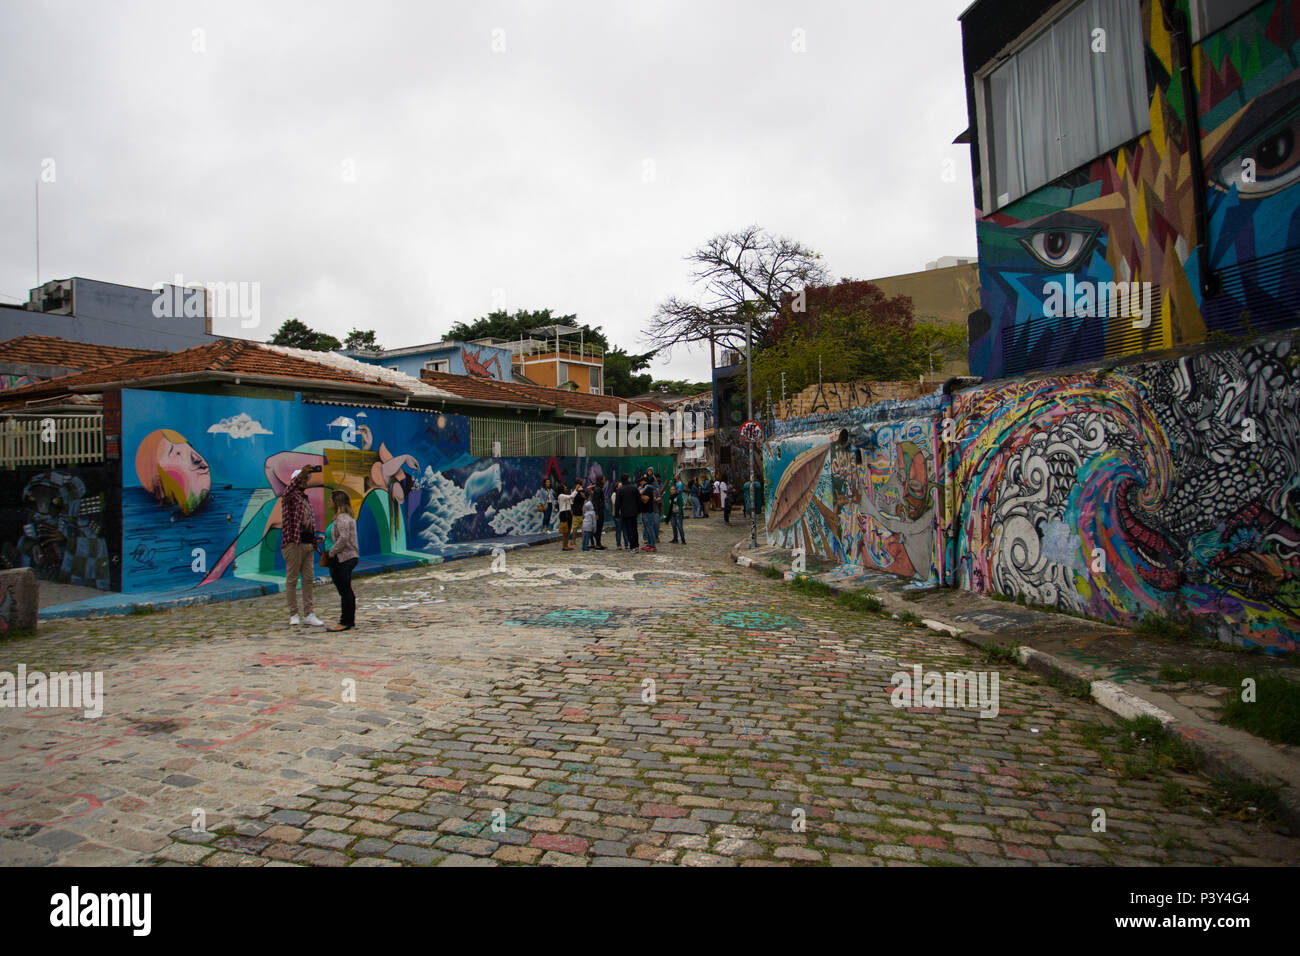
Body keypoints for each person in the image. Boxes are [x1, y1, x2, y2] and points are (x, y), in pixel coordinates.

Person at [281, 465, 325, 627]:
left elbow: (308, 523)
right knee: (292, 579)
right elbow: (287, 491)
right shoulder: (290, 497)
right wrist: (304, 472)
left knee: (308, 579)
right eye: (304, 478)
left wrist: (315, 539)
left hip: (307, 544)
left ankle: (309, 613)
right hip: (294, 544)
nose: (307, 481)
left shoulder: (305, 499)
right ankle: (293, 613)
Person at [324, 489, 359, 631]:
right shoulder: (340, 518)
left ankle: (346, 621)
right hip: (340, 557)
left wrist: (332, 551)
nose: (328, 502)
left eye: (330, 500)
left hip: (344, 558)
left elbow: (344, 538)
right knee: (344, 590)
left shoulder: (343, 519)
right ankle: (347, 619)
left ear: (337, 502)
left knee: (345, 590)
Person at [615, 473, 641, 551]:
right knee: (634, 529)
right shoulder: (634, 488)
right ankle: (636, 545)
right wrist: (639, 511)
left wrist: (617, 515)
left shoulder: (620, 490)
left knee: (628, 530)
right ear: (628, 479)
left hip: (625, 513)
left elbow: (617, 504)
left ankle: (632, 546)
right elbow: (638, 500)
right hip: (634, 512)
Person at [638, 471, 658, 551]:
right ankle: (649, 544)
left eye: (641, 481)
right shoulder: (646, 488)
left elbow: (646, 500)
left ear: (644, 481)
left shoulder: (647, 489)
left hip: (648, 512)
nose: (640, 483)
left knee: (650, 529)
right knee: (647, 529)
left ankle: (653, 545)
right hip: (645, 511)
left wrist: (639, 495)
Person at [667, 476, 687, 544]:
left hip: (678, 514)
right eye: (671, 489)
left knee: (680, 527)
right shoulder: (670, 497)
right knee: (673, 527)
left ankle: (683, 540)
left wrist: (679, 513)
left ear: (675, 490)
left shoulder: (678, 496)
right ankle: (675, 539)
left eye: (673, 489)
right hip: (672, 514)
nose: (672, 491)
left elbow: (681, 505)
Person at [556, 483, 574, 551]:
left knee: (568, 530)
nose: (566, 488)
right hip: (564, 513)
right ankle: (564, 546)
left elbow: (571, 502)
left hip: (568, 512)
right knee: (565, 530)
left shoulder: (565, 496)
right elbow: (571, 496)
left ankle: (566, 545)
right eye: (564, 487)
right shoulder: (561, 495)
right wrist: (576, 489)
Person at [592, 475, 607, 549]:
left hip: (600, 509)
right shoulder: (598, 489)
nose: (605, 480)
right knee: (598, 527)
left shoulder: (598, 488)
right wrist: (597, 513)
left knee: (599, 527)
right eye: (603, 479)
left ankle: (598, 543)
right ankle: (598, 544)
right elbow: (596, 502)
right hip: (599, 510)